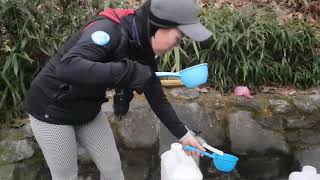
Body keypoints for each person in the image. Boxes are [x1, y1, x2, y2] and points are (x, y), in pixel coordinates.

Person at [24, 0, 213, 179]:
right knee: (66, 177)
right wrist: (127, 71)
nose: (175, 46)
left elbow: (158, 99)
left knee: (112, 170)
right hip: (51, 109)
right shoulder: (108, 30)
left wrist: (185, 135)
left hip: (87, 108)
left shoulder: (143, 48)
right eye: (178, 39)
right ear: (158, 26)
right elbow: (68, 68)